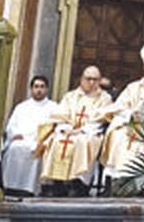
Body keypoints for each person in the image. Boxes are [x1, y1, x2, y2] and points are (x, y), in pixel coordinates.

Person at [38, 66, 115, 195]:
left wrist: (82, 130)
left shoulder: (104, 98)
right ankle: (58, 182)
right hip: (69, 130)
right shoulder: (71, 96)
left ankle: (79, 183)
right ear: (81, 79)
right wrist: (66, 128)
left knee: (82, 142)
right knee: (57, 140)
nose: (91, 82)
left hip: (90, 133)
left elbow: (103, 118)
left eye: (95, 79)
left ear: (99, 81)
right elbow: (61, 114)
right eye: (88, 79)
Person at [101, 37, 144, 178]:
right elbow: (116, 108)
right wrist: (130, 114)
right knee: (120, 137)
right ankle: (120, 181)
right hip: (131, 126)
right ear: (143, 67)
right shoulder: (133, 87)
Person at [1, 76, 55, 196]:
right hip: (21, 139)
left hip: (39, 141)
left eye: (42, 87)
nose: (39, 90)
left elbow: (54, 128)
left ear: (47, 89)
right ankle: (10, 186)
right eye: (36, 87)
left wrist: (42, 139)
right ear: (31, 89)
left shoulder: (53, 107)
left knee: (36, 151)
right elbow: (11, 126)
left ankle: (31, 188)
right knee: (14, 148)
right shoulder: (21, 107)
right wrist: (14, 134)